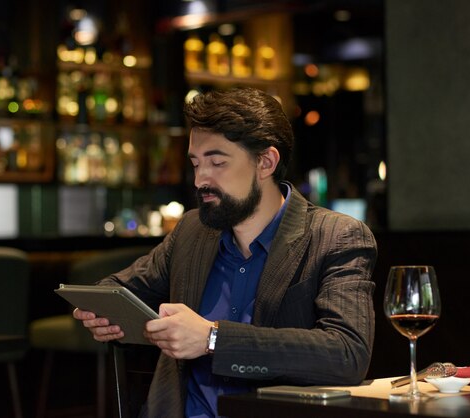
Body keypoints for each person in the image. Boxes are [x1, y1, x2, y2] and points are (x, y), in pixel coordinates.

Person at [73, 87, 377, 418]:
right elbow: (119, 289)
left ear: (266, 161)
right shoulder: (193, 231)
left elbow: (348, 354)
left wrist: (212, 339)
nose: (201, 178)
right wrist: (104, 313)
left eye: (217, 162)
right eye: (196, 163)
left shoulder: (335, 236)